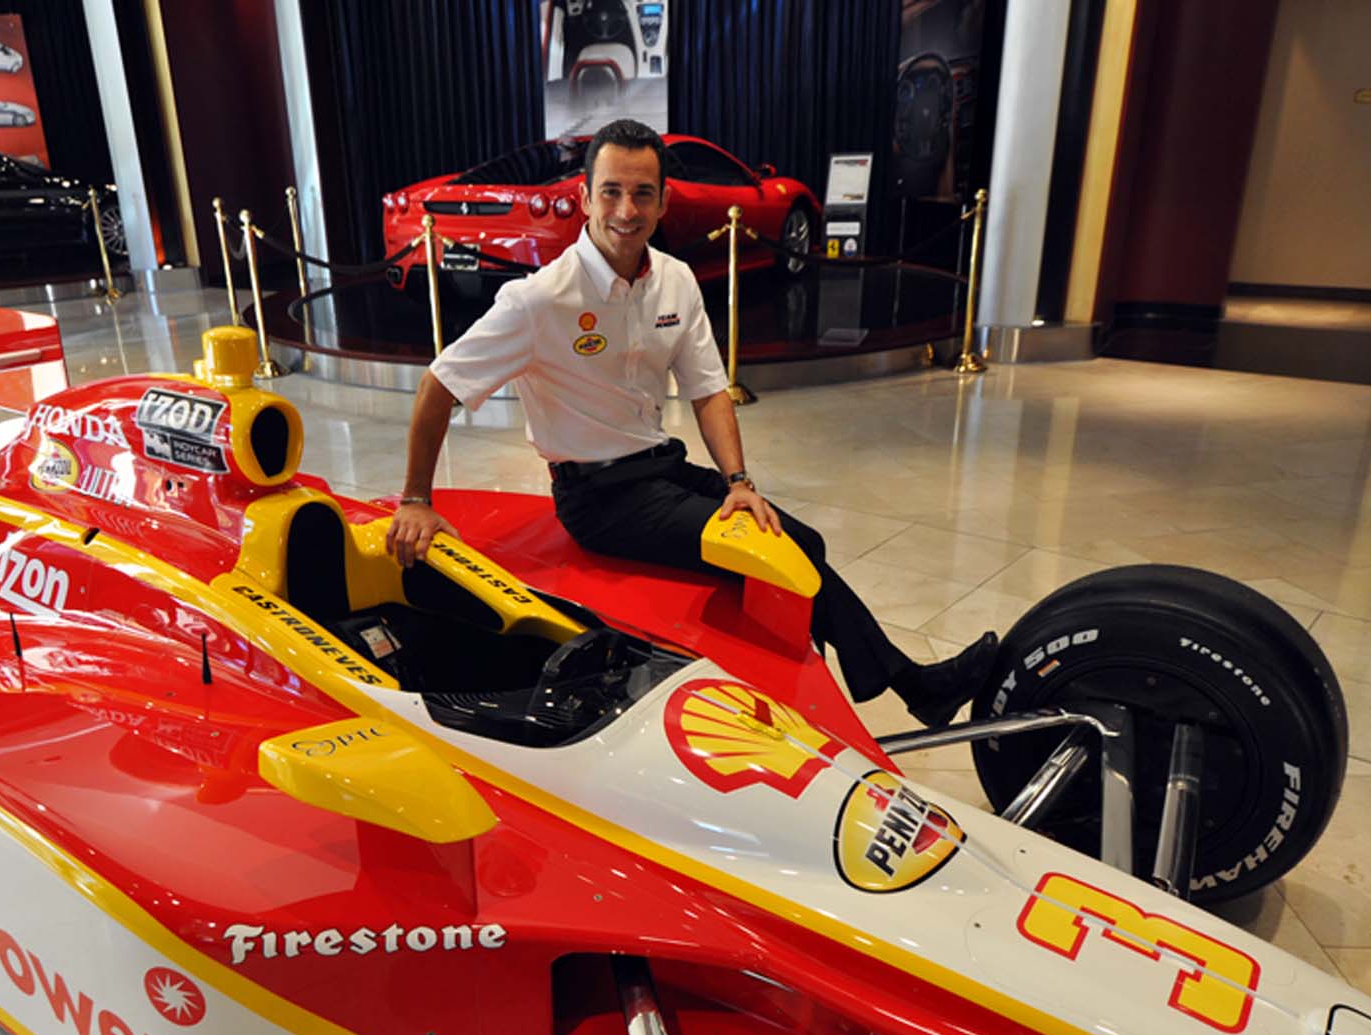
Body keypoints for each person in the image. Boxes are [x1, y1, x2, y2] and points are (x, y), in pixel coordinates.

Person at [386, 119, 997, 725]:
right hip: (598, 500)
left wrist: (738, 481)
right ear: (586, 198)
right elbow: (440, 385)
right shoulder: (539, 299)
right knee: (776, 554)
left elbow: (708, 392)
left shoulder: (675, 281)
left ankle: (891, 689)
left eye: (642, 194)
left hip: (662, 469)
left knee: (804, 542)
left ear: (663, 202)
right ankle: (910, 687)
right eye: (611, 192)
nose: (627, 210)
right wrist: (416, 499)